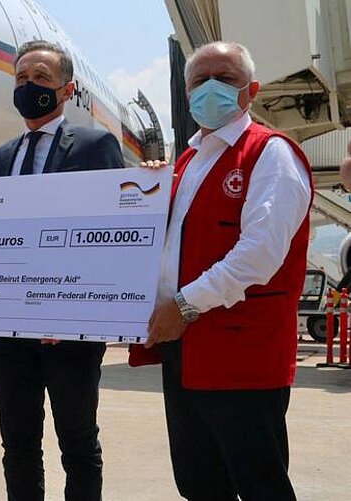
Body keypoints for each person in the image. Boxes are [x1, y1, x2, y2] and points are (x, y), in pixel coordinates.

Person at [131, 41, 312, 501]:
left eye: (225, 79)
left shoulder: (271, 154)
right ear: (187, 92)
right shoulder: (189, 161)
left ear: (250, 91)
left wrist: (185, 306)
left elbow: (259, 254)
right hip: (186, 352)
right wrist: (148, 189)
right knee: (198, 482)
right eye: (199, 81)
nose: (210, 88)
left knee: (258, 484)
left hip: (242, 355)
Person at [0, 40, 124, 501]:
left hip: (70, 332)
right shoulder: (0, 156)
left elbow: (108, 233)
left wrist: (68, 311)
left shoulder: (95, 144)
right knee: (18, 444)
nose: (29, 87)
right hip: (11, 332)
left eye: (41, 78)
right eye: (22, 79)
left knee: (78, 444)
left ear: (67, 90)